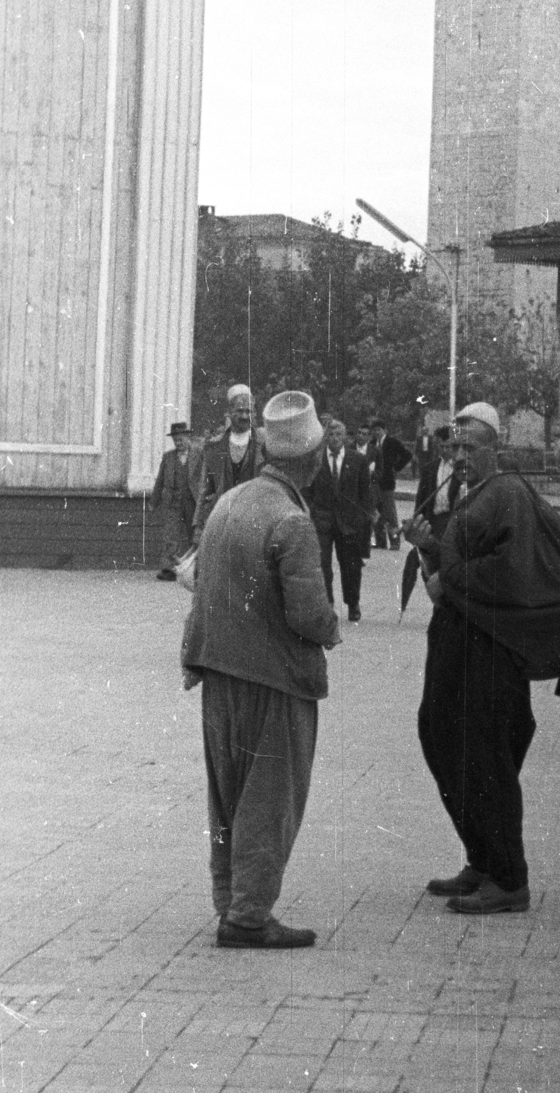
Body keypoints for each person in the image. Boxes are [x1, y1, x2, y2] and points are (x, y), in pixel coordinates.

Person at [408, 402, 560, 915]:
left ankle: (509, 878)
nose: (460, 455)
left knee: (485, 755)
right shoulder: (472, 495)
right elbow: (451, 569)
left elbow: (514, 568)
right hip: (457, 642)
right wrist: (428, 548)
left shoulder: (508, 493)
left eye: (471, 446)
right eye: (456, 446)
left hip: (490, 652)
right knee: (442, 738)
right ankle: (482, 858)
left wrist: (450, 577)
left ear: (496, 448)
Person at [180, 390, 340, 949]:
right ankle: (249, 917)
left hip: (216, 674)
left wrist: (194, 656)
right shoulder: (292, 521)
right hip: (274, 681)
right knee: (269, 799)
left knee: (227, 796)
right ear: (314, 460)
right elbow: (310, 614)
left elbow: (200, 583)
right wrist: (333, 628)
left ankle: (231, 902)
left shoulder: (229, 502)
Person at [307, 419, 375, 621]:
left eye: (338, 435)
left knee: (351, 565)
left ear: (345, 437)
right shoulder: (317, 460)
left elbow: (366, 493)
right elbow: (307, 488)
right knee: (323, 563)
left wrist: (363, 518)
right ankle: (327, 603)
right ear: (325, 438)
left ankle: (353, 602)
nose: (334, 439)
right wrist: (312, 510)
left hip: (350, 522)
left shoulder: (357, 460)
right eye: (330, 435)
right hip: (323, 520)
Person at [193, 384, 266, 541]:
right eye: (240, 411)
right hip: (222, 520)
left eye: (249, 411)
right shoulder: (214, 446)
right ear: (230, 412)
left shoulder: (263, 445)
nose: (245, 416)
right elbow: (204, 489)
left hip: (255, 521)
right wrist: (198, 526)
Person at [152, 422, 199, 580]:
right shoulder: (168, 457)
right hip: (173, 502)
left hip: (193, 501)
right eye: (176, 440)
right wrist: (154, 500)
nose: (178, 443)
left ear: (188, 438)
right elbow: (160, 480)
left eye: (181, 440)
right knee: (170, 534)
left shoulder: (199, 455)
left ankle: (197, 568)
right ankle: (169, 569)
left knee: (195, 534)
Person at [368, 419, 413, 550]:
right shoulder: (371, 444)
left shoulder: (392, 442)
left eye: (379, 430)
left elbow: (407, 455)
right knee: (377, 512)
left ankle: (394, 541)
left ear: (385, 430)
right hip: (375, 483)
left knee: (390, 513)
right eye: (374, 430)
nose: (377, 432)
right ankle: (380, 541)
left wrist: (396, 468)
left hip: (387, 482)